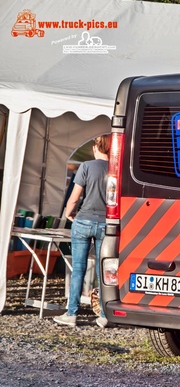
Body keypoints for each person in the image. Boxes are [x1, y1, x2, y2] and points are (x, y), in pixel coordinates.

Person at [54, 134, 110, 328]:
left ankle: (72, 314)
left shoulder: (86, 166)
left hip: (84, 221)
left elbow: (75, 197)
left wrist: (69, 213)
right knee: (103, 271)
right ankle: (104, 315)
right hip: (106, 225)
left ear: (96, 148)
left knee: (78, 268)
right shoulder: (117, 170)